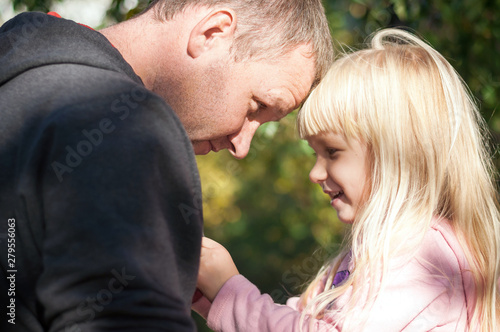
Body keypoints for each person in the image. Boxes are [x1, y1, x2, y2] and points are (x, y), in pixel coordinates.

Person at [0, 0, 333, 331]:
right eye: (255, 107)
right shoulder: (124, 125)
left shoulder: (22, 71)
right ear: (212, 32)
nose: (241, 146)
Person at [193, 28, 500, 331]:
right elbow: (299, 323)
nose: (315, 173)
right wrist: (211, 295)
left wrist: (227, 291)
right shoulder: (374, 254)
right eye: (315, 153)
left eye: (332, 151)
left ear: (399, 154)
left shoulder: (421, 257)